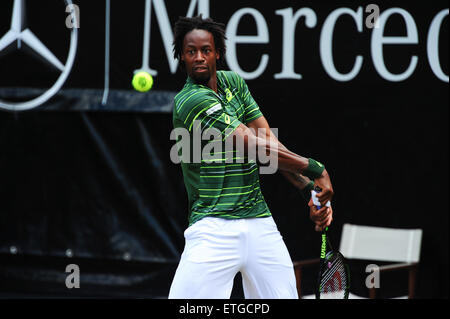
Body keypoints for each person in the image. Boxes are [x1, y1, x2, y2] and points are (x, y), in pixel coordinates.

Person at [168, 15, 333, 299]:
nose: (198, 57)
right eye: (190, 51)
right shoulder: (189, 100)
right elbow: (254, 146)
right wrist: (315, 169)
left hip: (259, 223)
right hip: (212, 227)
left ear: (217, 52)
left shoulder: (234, 84)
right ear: (181, 56)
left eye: (205, 50)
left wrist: (309, 189)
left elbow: (269, 145)